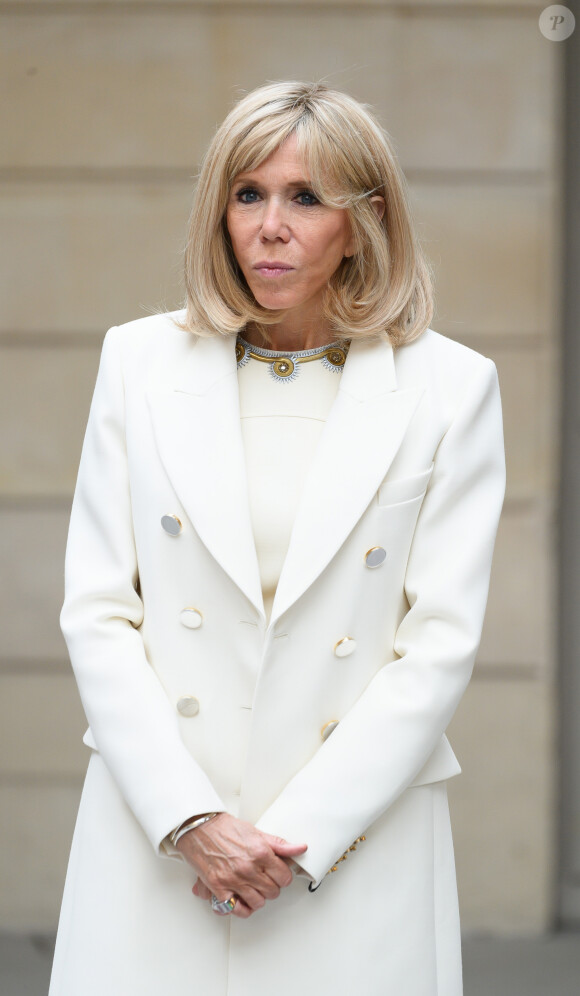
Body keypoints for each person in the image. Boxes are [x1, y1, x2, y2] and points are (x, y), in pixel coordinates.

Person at [49, 81, 505, 996]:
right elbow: (98, 611)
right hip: (161, 838)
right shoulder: (137, 363)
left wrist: (294, 839)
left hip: (351, 846)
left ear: (365, 219)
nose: (270, 224)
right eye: (247, 193)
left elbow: (439, 644)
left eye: (306, 198)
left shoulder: (452, 388)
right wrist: (191, 820)